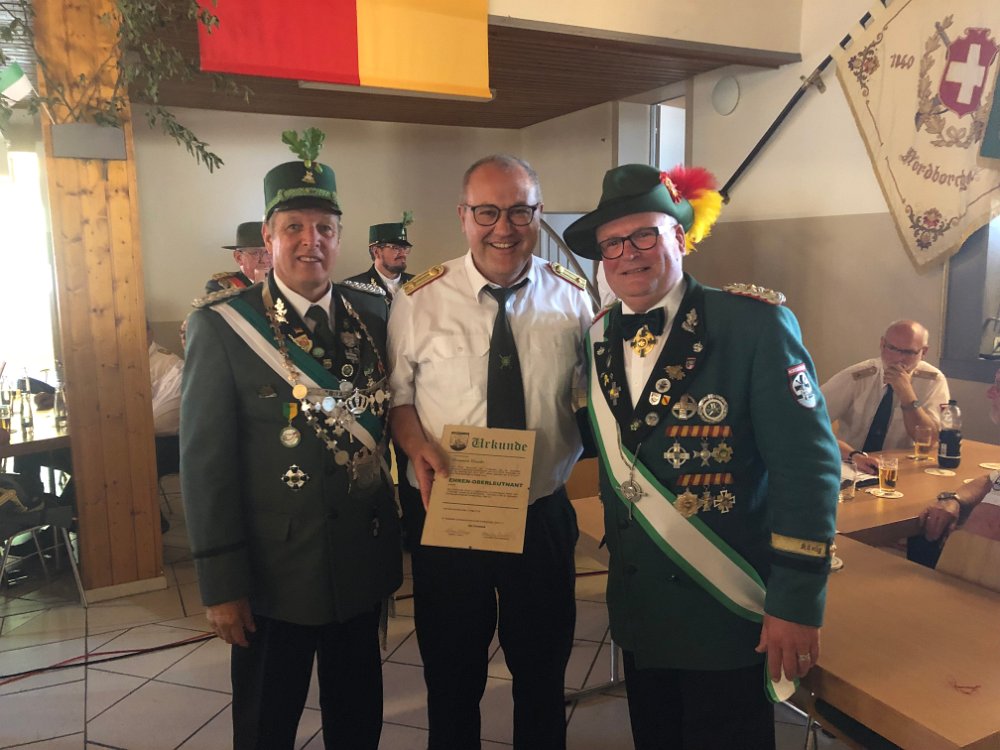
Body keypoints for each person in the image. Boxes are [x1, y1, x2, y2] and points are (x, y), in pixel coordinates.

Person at [563, 163, 840, 750]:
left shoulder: (753, 325)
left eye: (645, 235)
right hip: (641, 606)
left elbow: (808, 469)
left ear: (680, 238)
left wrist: (796, 602)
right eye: (613, 243)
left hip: (724, 603)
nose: (629, 254)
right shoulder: (599, 335)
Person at [180, 129, 401, 750]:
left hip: (358, 561)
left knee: (357, 718)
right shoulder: (224, 327)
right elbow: (206, 467)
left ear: (339, 236)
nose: (312, 240)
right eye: (294, 227)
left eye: (325, 227)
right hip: (274, 573)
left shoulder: (373, 316)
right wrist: (222, 584)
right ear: (269, 237)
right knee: (265, 723)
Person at [388, 154, 593, 749]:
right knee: (452, 673)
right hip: (451, 512)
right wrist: (416, 445)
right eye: (486, 212)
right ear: (463, 216)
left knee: (543, 670)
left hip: (540, 511)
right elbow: (398, 399)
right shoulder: (419, 299)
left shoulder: (571, 297)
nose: (503, 228)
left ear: (538, 214)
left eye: (519, 212)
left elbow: (592, 398)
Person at [343, 213, 420, 548]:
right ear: (375, 250)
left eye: (404, 247)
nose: (401, 252)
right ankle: (382, 528)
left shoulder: (421, 286)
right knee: (375, 462)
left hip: (412, 390)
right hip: (372, 390)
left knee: (411, 459)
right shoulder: (352, 290)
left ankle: (415, 529)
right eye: (393, 247)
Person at [821, 320, 950, 474]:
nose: (899, 358)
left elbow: (930, 441)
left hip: (901, 470)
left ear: (924, 352)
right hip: (852, 465)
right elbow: (807, 421)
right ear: (882, 345)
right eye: (893, 349)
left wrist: (907, 395)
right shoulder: (857, 376)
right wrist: (853, 455)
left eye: (909, 352)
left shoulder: (933, 381)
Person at [919, 367, 1000, 558]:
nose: (989, 393)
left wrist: (950, 543)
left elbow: (989, 528)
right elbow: (991, 479)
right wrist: (953, 499)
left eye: (998, 386)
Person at [343, 212, 415, 303]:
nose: (403, 253)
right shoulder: (353, 289)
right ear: (376, 252)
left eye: (405, 248)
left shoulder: (418, 284)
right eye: (395, 248)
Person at [204, 221, 271, 293]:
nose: (264, 260)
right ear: (238, 257)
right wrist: (259, 285)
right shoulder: (222, 285)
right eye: (255, 253)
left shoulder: (279, 282)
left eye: (269, 252)